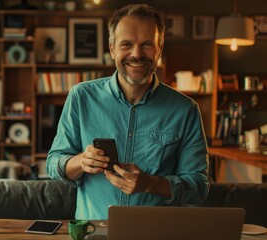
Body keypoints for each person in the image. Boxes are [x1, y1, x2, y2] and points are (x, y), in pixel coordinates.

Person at [46, 4, 209, 220]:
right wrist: (81, 161)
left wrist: (151, 184)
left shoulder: (186, 110)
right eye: (126, 44)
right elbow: (53, 162)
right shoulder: (81, 97)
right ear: (112, 48)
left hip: (156, 233)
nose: (137, 54)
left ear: (159, 49)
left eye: (147, 45)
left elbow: (199, 187)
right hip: (94, 232)